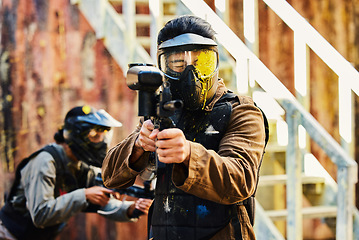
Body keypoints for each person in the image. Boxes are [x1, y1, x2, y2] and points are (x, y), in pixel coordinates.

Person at [102, 15, 266, 240]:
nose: (191, 75)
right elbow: (110, 177)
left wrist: (189, 154)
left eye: (202, 63)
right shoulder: (163, 110)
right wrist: (139, 145)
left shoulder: (241, 111)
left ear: (216, 62)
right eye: (178, 64)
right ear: (164, 65)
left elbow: (240, 179)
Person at [0, 105, 153, 240]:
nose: (101, 142)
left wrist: (130, 209)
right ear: (76, 135)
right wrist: (84, 194)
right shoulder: (45, 161)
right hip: (9, 234)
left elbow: (101, 202)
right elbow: (40, 215)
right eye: (94, 136)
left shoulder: (83, 166)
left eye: (103, 135)